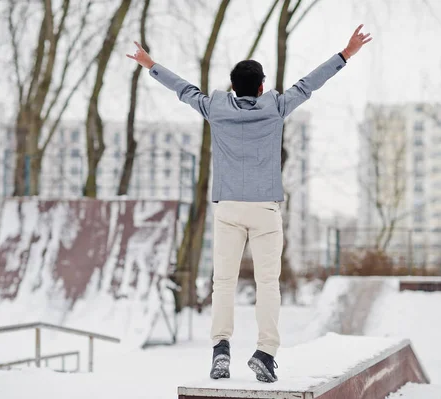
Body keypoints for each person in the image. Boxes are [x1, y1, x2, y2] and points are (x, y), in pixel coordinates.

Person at [127, 24, 372, 383]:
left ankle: (220, 352)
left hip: (227, 209)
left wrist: (150, 64)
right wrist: (346, 54)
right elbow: (308, 83)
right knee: (267, 283)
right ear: (261, 87)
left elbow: (183, 90)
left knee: (222, 283)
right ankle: (265, 352)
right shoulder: (275, 107)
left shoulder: (217, 108)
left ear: (232, 87)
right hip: (265, 210)